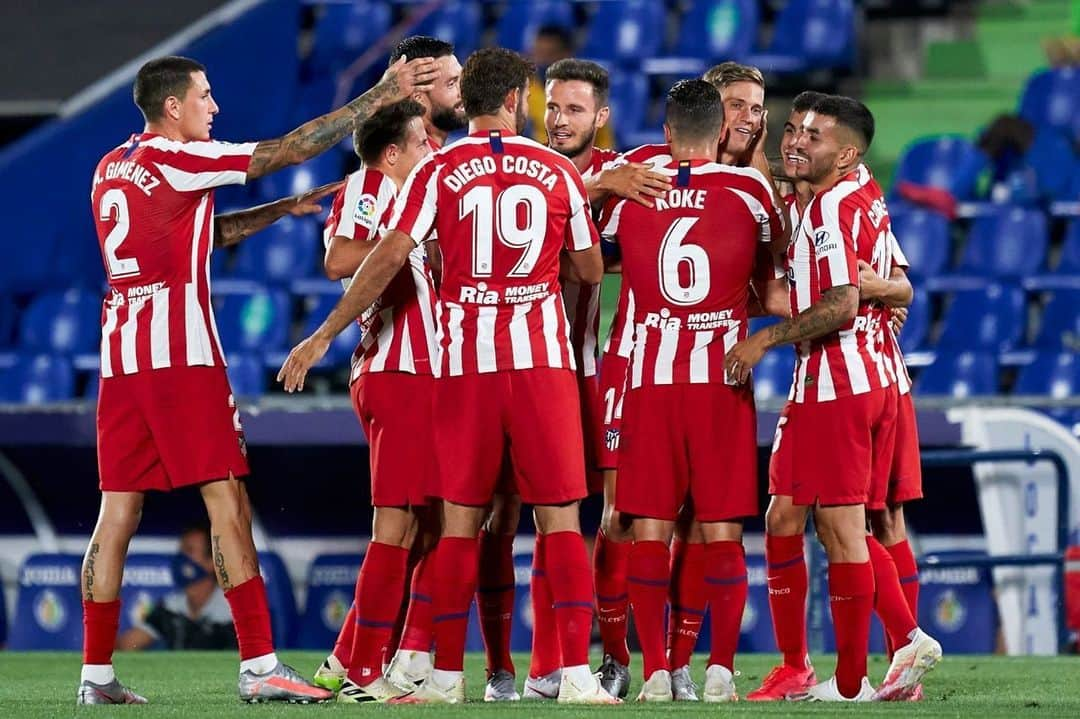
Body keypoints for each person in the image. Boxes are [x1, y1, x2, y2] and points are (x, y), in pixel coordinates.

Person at [82, 52, 437, 705]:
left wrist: (281, 210)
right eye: (205, 96)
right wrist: (377, 96)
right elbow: (286, 147)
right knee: (227, 501)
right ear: (172, 107)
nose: (213, 107)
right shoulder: (181, 158)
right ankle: (259, 664)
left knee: (117, 513)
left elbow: (200, 234)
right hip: (181, 356)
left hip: (122, 358)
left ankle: (95, 677)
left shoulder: (112, 168)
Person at [278, 47, 617, 706]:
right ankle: (576, 673)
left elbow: (385, 258)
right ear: (519, 99)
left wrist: (325, 331)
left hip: (464, 367)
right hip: (541, 363)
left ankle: (442, 677)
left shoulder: (437, 170)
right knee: (561, 519)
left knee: (459, 524)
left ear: (472, 102)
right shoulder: (555, 170)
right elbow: (592, 268)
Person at [725, 95, 941, 702]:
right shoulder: (855, 189)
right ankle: (822, 668)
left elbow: (845, 301)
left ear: (845, 153)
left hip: (840, 384)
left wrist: (763, 339)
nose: (795, 143)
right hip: (861, 377)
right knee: (789, 514)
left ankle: (881, 660)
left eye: (811, 136)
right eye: (791, 130)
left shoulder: (830, 210)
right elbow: (898, 285)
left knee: (849, 524)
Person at [604, 79, 784, 703]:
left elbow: (589, 249)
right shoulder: (751, 190)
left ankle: (654, 670)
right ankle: (719, 671)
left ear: (669, 131)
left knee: (648, 531)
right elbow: (775, 263)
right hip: (721, 381)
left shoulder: (634, 179)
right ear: (721, 130)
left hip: (649, 379)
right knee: (721, 532)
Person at [304, 100, 437, 703]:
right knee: (398, 526)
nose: (433, 143)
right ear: (393, 152)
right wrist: (404, 244)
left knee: (427, 525)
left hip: (420, 372)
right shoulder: (371, 184)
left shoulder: (427, 188)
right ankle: (364, 674)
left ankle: (346, 659)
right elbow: (337, 258)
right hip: (398, 367)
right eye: (421, 138)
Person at [116, 523, 234, 651]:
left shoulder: (233, 610)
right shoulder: (170, 607)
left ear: (212, 562)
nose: (181, 559)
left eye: (189, 551)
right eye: (181, 551)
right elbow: (126, 645)